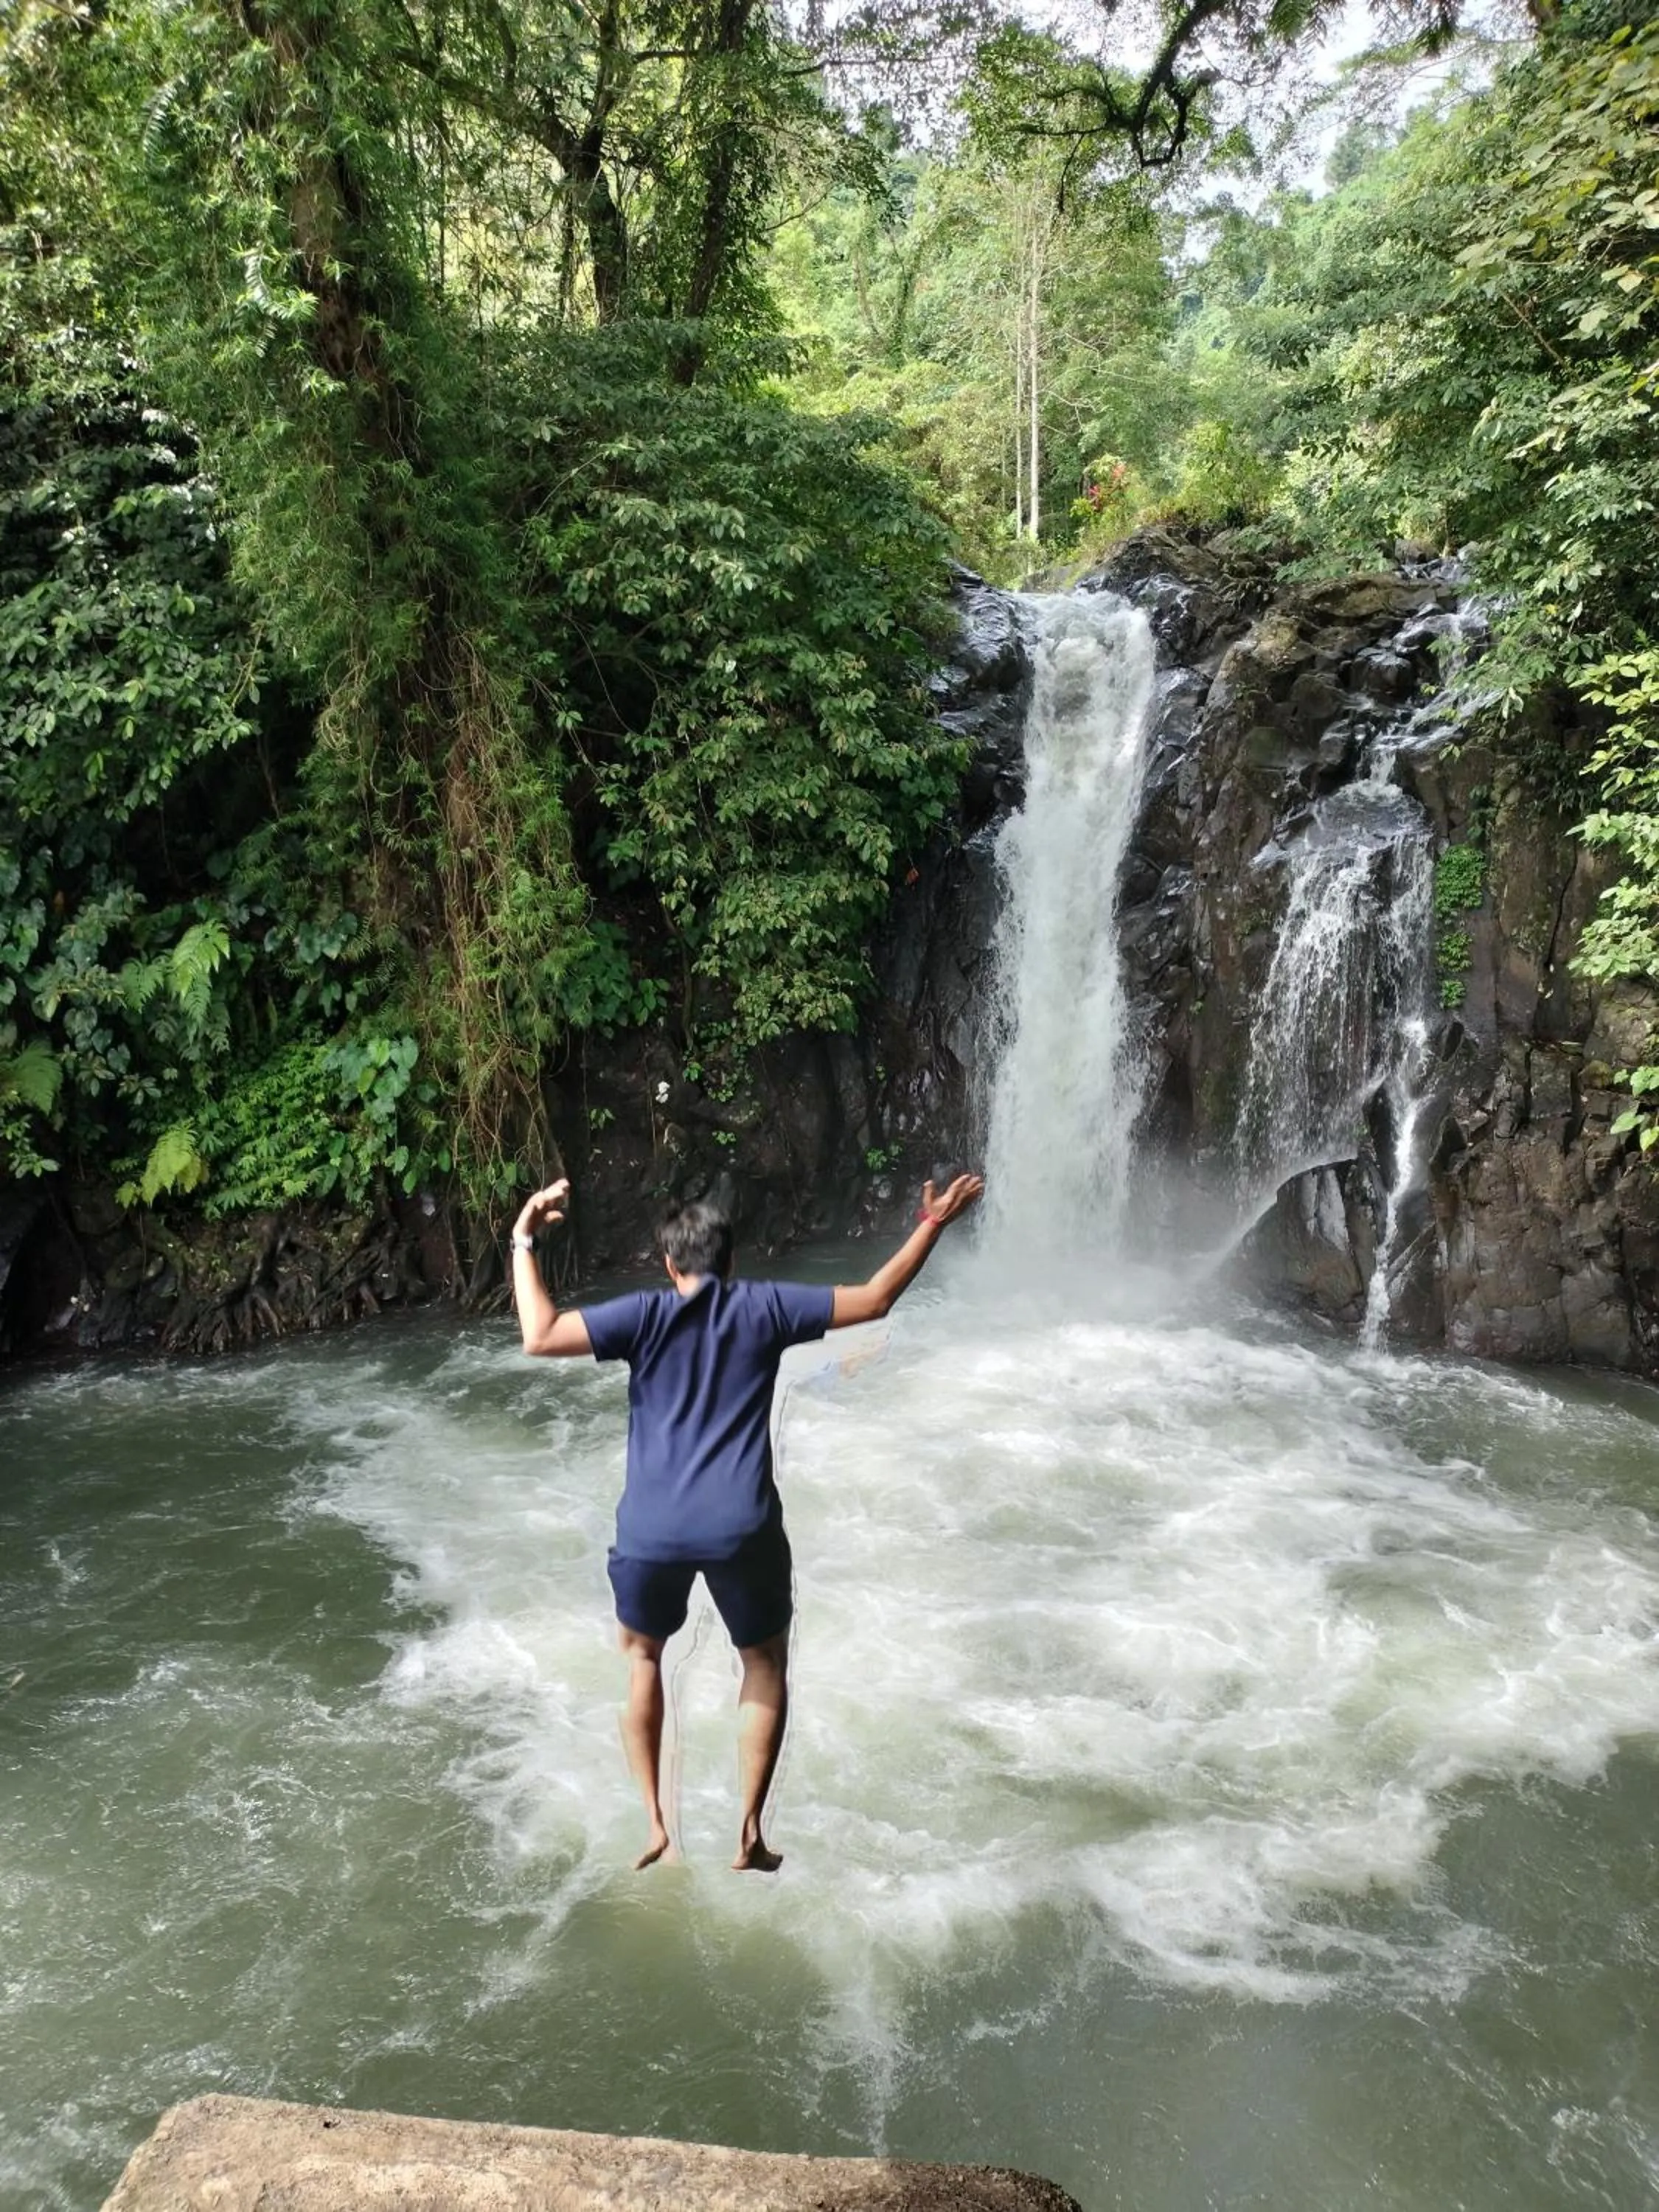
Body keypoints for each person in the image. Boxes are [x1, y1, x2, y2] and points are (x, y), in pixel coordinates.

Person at [510, 1171, 984, 1872]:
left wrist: (524, 1238)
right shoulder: (763, 1307)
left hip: (653, 1528)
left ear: (671, 1267)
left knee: (643, 1655)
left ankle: (655, 1826)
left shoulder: (643, 1315)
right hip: (742, 1525)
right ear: (732, 1264)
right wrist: (933, 1222)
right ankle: (749, 1829)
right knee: (762, 1662)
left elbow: (540, 1335)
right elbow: (877, 1297)